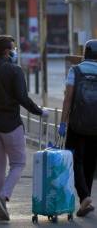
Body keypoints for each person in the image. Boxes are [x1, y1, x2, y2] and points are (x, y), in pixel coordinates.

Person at [0, 35, 48, 221]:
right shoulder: (15, 71)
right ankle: (3, 196)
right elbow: (23, 98)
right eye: (13, 49)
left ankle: (1, 209)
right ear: (7, 51)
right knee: (19, 163)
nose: (15, 52)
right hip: (11, 125)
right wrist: (40, 112)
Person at [59, 39, 97, 217]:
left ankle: (84, 197)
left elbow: (68, 98)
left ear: (85, 53)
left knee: (75, 160)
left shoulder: (75, 70)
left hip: (77, 124)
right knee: (90, 162)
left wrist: (63, 122)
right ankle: (85, 199)